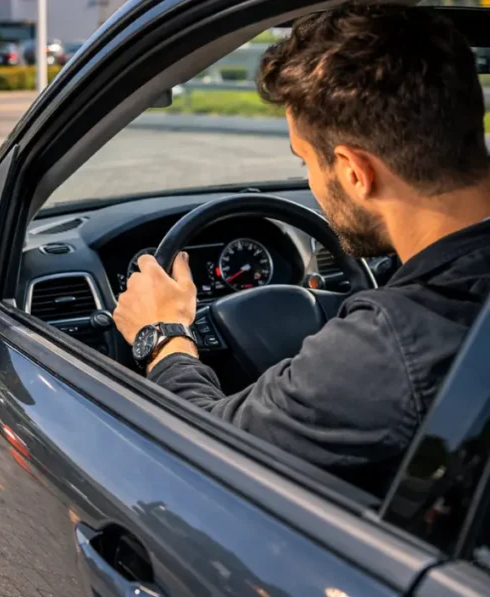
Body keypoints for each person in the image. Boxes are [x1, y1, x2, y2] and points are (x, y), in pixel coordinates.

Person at [113, 3, 490, 496]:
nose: (310, 181)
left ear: (354, 171)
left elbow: (207, 449)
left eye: (305, 161)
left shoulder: (390, 346)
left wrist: (163, 336)